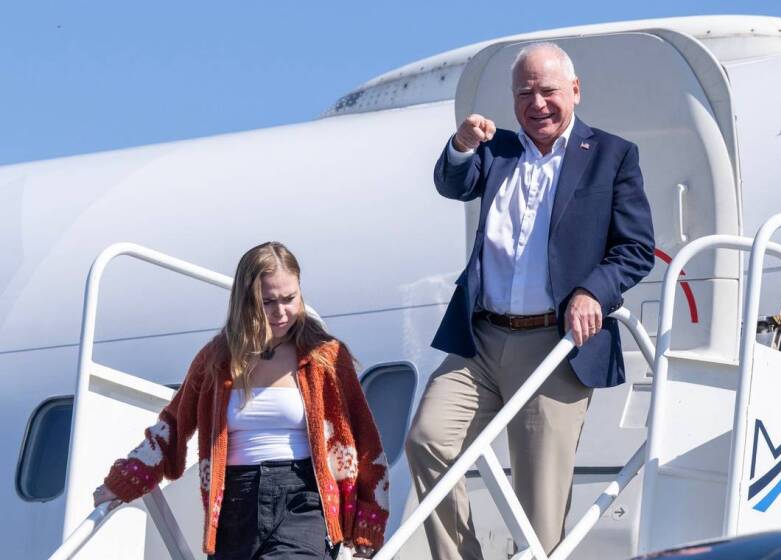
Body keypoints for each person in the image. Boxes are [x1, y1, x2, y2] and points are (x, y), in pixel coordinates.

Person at [405, 42, 655, 558]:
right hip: (480, 341)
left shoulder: (612, 155)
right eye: (524, 93)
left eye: (548, 91)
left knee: (538, 514)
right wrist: (460, 143)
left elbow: (635, 249)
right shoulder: (498, 152)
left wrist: (593, 291)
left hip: (554, 346)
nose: (537, 103)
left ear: (575, 91)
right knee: (428, 440)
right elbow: (452, 183)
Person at [93, 242, 389, 559]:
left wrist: (369, 522)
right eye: (268, 302)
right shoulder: (217, 359)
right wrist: (124, 480)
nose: (281, 312)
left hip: (303, 498)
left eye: (290, 298)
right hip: (233, 502)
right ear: (246, 302)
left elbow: (364, 440)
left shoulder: (326, 357)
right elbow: (173, 426)